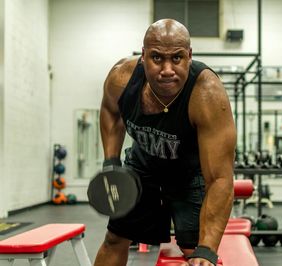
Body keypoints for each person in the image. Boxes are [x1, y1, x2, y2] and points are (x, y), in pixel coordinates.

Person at [94, 18, 236, 266]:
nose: (167, 69)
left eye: (177, 58)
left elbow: (221, 179)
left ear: (189, 56)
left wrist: (208, 249)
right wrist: (111, 162)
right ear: (143, 55)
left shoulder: (207, 94)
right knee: (115, 238)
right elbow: (109, 110)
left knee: (195, 251)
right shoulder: (122, 79)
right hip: (142, 166)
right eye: (157, 58)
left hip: (190, 174)